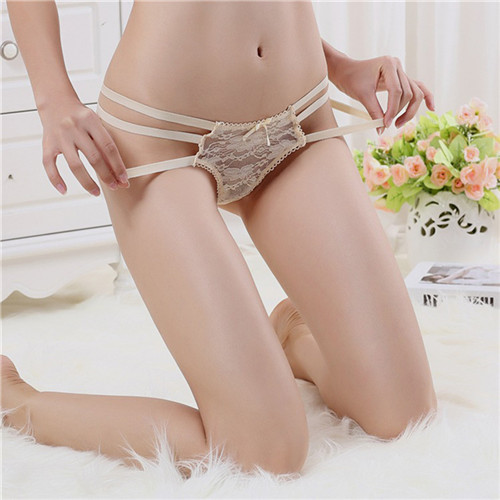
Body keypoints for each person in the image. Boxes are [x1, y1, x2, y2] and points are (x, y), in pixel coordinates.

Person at [1, 0, 438, 477]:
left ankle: (293, 335)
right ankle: (18, 403)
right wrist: (54, 99)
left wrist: (340, 65)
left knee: (403, 415)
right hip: (160, 135)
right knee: (263, 455)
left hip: (299, 118)